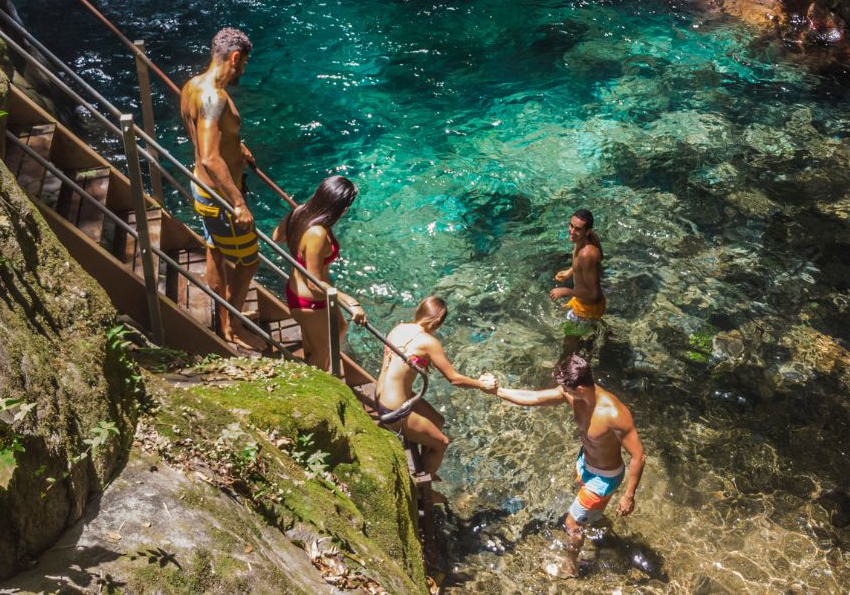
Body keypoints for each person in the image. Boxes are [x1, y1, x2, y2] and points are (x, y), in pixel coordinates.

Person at [490, 353, 644, 579]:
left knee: (571, 523)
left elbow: (639, 456)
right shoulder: (575, 395)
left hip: (603, 479)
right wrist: (497, 391)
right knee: (590, 514)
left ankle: (570, 564)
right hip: (586, 464)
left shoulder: (614, 414)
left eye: (566, 389)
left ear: (580, 388)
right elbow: (535, 398)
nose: (562, 392)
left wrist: (629, 496)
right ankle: (603, 528)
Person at [181, 27, 259, 346]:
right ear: (235, 57)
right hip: (220, 199)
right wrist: (238, 202)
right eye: (244, 64)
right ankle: (234, 328)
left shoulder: (192, 86)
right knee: (249, 261)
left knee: (215, 249)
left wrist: (236, 146)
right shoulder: (215, 97)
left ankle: (222, 316)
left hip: (201, 188)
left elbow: (205, 139)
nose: (243, 70)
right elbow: (212, 158)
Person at [375, 296, 498, 480]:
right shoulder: (428, 342)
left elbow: (387, 366)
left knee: (438, 421)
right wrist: (481, 384)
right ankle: (423, 488)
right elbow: (454, 379)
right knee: (442, 443)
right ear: (438, 321)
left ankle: (426, 466)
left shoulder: (399, 328)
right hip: (394, 411)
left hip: (381, 396)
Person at [273, 175, 368, 370]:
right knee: (322, 352)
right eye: (346, 205)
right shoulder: (317, 233)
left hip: (304, 294)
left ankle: (309, 364)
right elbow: (313, 283)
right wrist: (349, 301)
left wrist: (296, 220)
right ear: (338, 205)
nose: (346, 210)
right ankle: (313, 389)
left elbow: (277, 236)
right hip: (310, 300)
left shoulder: (300, 212)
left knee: (339, 328)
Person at [550, 209, 605, 347]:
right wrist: (570, 271)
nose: (572, 231)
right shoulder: (587, 237)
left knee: (568, 344)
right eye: (571, 225)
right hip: (584, 303)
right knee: (580, 337)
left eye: (577, 229)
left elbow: (593, 295)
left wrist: (566, 291)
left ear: (587, 231)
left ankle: (566, 364)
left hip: (586, 308)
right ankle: (598, 335)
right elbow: (600, 258)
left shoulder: (587, 255)